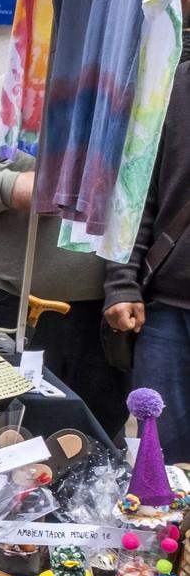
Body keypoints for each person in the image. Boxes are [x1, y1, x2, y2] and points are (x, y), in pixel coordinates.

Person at [0, 75, 127, 438]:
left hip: (108, 311)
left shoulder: (133, 100)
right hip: (12, 302)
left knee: (92, 440)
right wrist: (12, 188)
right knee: (2, 432)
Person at [103, 58, 190, 460]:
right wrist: (121, 283)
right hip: (163, 313)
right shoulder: (169, 88)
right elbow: (136, 196)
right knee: (159, 461)